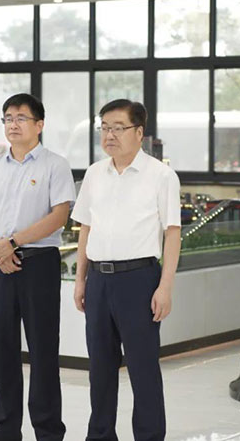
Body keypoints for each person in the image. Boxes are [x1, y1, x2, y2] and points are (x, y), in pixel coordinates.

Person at [71, 99, 181, 441]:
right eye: (104, 128)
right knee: (100, 368)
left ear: (139, 132)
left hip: (139, 281)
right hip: (98, 281)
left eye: (118, 128)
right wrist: (80, 279)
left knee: (142, 368)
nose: (109, 135)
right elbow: (86, 227)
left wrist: (165, 287)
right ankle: (100, 435)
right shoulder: (94, 173)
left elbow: (172, 232)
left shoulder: (161, 175)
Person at [0, 93, 75, 441]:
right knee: (3, 348)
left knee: (43, 350)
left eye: (21, 118)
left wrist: (12, 243)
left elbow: (59, 216)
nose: (13, 124)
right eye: (8, 118)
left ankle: (48, 430)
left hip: (38, 264)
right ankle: (6, 428)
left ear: (39, 125)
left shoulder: (55, 165)